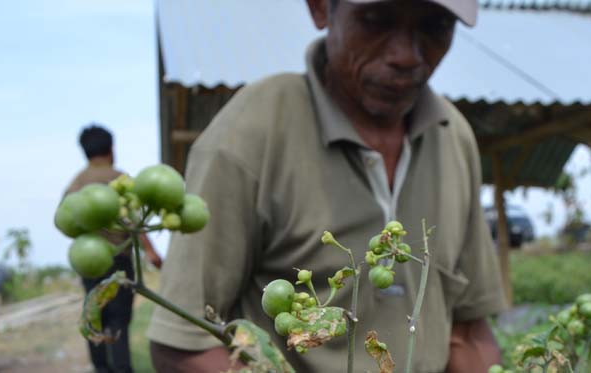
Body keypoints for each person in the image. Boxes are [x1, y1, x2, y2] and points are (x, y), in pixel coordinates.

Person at [147, 0, 507, 371]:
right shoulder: (253, 131)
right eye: (376, 20)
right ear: (321, 8)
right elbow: (184, 343)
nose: (406, 55)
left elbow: (466, 331)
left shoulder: (452, 138)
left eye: (435, 26)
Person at [64, 124, 163, 373]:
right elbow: (134, 221)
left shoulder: (76, 183)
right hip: (119, 260)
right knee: (118, 321)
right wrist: (151, 253)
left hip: (89, 264)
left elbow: (66, 222)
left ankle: (100, 368)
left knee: (94, 317)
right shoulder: (119, 180)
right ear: (111, 149)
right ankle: (121, 368)